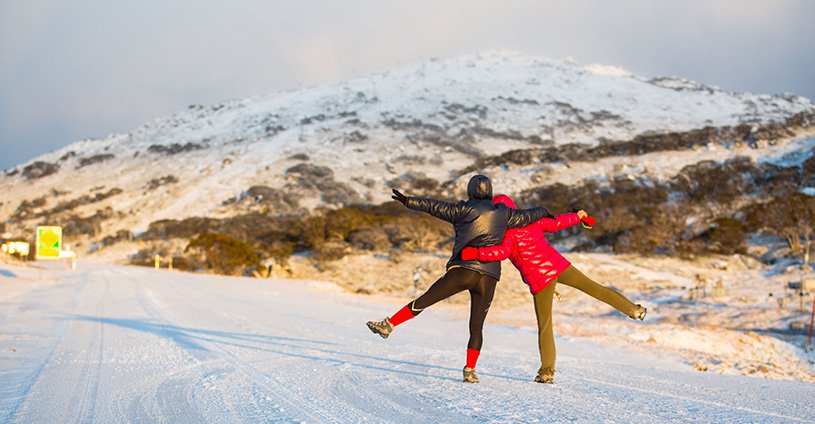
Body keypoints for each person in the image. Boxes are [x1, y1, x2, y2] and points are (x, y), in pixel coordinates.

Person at [366, 175, 553, 383]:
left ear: (471, 191)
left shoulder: (463, 209)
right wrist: (543, 211)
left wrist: (409, 201)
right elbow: (528, 216)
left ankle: (390, 324)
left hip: (463, 269)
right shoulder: (504, 213)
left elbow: (435, 206)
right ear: (489, 191)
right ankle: (470, 371)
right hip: (489, 276)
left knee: (427, 299)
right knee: (476, 326)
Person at [461, 194, 646, 384]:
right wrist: (578, 217)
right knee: (596, 288)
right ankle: (634, 310)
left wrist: (475, 253)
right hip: (558, 265)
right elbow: (555, 223)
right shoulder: (531, 220)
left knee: (545, 326)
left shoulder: (504, 233)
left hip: (540, 279)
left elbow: (501, 252)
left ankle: (547, 372)